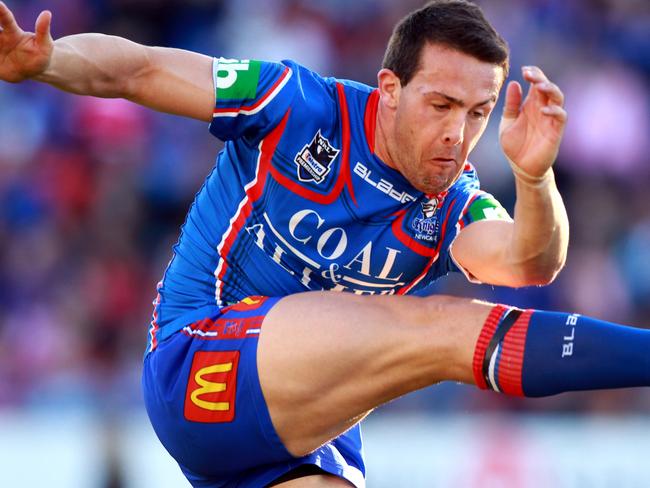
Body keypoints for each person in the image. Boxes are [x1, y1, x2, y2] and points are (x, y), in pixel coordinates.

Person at [1, 1, 649, 486]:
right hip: (198, 367)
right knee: (442, 328)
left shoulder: (453, 203)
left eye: (477, 114)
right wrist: (50, 61)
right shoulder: (296, 104)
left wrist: (534, 177)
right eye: (442, 104)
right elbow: (141, 70)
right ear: (390, 90)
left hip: (302, 437)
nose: (458, 133)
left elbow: (528, 263)